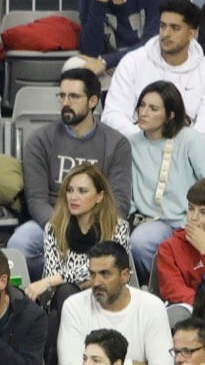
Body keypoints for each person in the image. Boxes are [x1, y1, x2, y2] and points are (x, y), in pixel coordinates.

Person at [11, 68, 135, 275]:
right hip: (53, 220)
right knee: (20, 244)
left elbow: (119, 201)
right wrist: (64, 228)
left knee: (111, 251)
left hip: (99, 222)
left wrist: (89, 228)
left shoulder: (117, 144)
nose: (66, 102)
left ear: (93, 101)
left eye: (74, 96)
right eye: (62, 96)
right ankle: (43, 296)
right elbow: (36, 200)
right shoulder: (40, 140)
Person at [126, 79, 205, 274]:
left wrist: (204, 219)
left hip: (200, 218)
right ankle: (163, 293)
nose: (143, 112)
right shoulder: (130, 144)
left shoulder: (189, 138)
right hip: (157, 223)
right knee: (139, 242)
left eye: (153, 108)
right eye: (142, 105)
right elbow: (128, 194)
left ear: (170, 115)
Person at [105, 0, 205, 157]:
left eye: (175, 28)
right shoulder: (133, 61)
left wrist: (178, 145)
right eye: (163, 26)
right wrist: (147, 139)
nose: (166, 34)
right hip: (139, 142)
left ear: (191, 33)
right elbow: (113, 114)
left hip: (186, 147)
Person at [54, 241, 173, 365]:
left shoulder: (152, 306)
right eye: (92, 274)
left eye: (105, 274)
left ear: (125, 275)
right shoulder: (74, 306)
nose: (96, 282)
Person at [27, 164, 132, 312]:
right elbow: (52, 275)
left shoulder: (117, 227)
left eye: (82, 191)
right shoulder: (53, 228)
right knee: (67, 292)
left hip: (106, 298)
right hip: (64, 299)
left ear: (99, 196)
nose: (73, 197)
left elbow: (109, 270)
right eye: (70, 190)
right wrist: (77, 282)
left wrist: (53, 280)